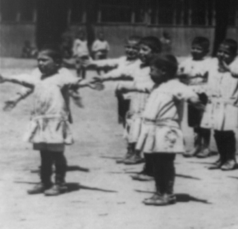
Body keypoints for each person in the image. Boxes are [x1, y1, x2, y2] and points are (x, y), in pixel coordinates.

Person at [0, 49, 99, 196]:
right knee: (43, 152)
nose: (40, 63)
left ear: (57, 63)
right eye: (39, 60)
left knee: (56, 153)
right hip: (40, 119)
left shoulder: (62, 75)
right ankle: (45, 181)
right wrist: (7, 79)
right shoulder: (37, 75)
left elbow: (74, 81)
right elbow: (23, 80)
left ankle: (60, 183)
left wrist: (86, 83)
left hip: (55, 119)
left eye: (45, 60)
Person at [118, 54, 204, 206]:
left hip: (166, 131)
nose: (150, 73)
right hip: (153, 130)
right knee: (158, 164)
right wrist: (123, 86)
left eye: (152, 70)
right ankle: (160, 192)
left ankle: (167, 193)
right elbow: (139, 87)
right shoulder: (157, 85)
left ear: (163, 71)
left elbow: (191, 96)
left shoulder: (176, 86)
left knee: (165, 163)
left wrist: (198, 104)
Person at [94, 36, 162, 174]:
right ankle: (140, 160)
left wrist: (129, 86)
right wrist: (102, 77)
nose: (140, 52)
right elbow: (120, 72)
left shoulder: (157, 67)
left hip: (150, 105)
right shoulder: (137, 66)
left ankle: (150, 166)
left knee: (148, 134)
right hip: (137, 103)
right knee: (136, 128)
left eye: (144, 50)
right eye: (140, 49)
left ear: (155, 52)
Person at [202, 38, 238, 171]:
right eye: (219, 51)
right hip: (214, 101)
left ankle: (230, 158)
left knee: (227, 132)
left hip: (229, 103)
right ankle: (222, 157)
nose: (221, 55)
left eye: (226, 53)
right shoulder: (213, 64)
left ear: (234, 55)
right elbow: (203, 75)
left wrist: (228, 68)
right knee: (216, 131)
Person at [178, 36, 216, 158]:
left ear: (206, 51)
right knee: (194, 122)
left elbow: (211, 78)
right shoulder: (186, 62)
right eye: (193, 48)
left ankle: (206, 147)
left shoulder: (210, 63)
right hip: (191, 93)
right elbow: (180, 75)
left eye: (199, 49)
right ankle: (197, 145)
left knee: (204, 121)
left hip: (203, 93)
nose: (195, 51)